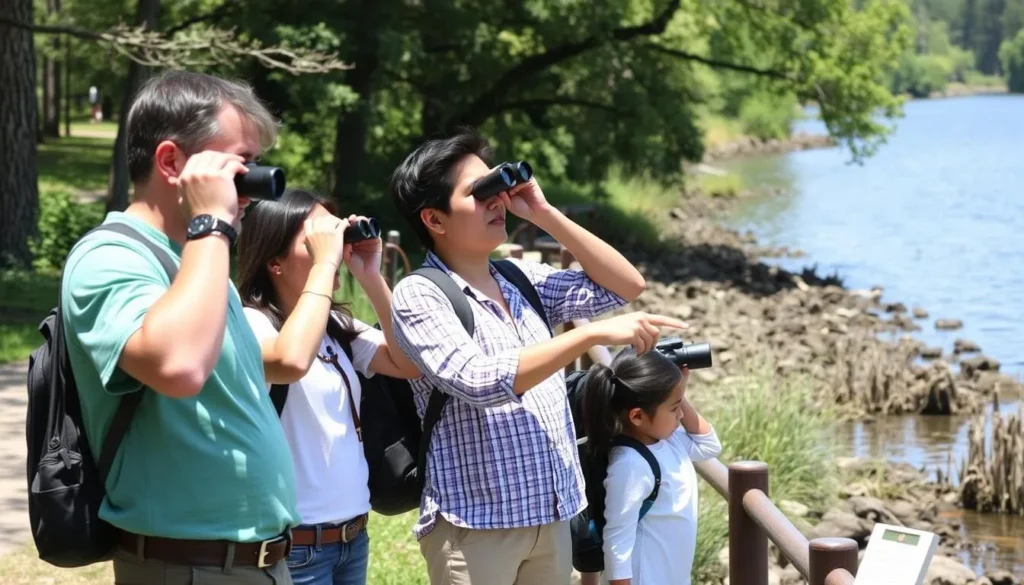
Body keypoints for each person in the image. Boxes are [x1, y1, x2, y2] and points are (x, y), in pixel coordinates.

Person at [387, 128, 688, 585]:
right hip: (476, 525)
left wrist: (544, 213)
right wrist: (589, 338)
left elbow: (625, 285)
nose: (497, 201)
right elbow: (478, 380)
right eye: (479, 193)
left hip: (550, 514)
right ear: (435, 219)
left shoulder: (518, 278)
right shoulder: (419, 294)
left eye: (496, 186)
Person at [60, 70, 299, 584]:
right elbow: (180, 366)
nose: (256, 185)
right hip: (188, 567)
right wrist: (212, 224)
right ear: (172, 161)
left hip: (256, 563)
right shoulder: (108, 257)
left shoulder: (198, 260)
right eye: (241, 165)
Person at [236, 189, 421, 585]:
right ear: (274, 262)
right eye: (317, 240)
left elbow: (409, 363)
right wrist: (325, 264)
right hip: (297, 547)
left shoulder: (335, 329)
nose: (333, 249)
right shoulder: (250, 324)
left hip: (351, 539)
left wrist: (369, 275)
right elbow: (290, 360)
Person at [582, 349, 722, 585]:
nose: (680, 415)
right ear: (637, 416)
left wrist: (676, 393)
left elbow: (709, 445)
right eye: (673, 408)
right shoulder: (630, 464)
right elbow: (617, 540)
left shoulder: (669, 440)